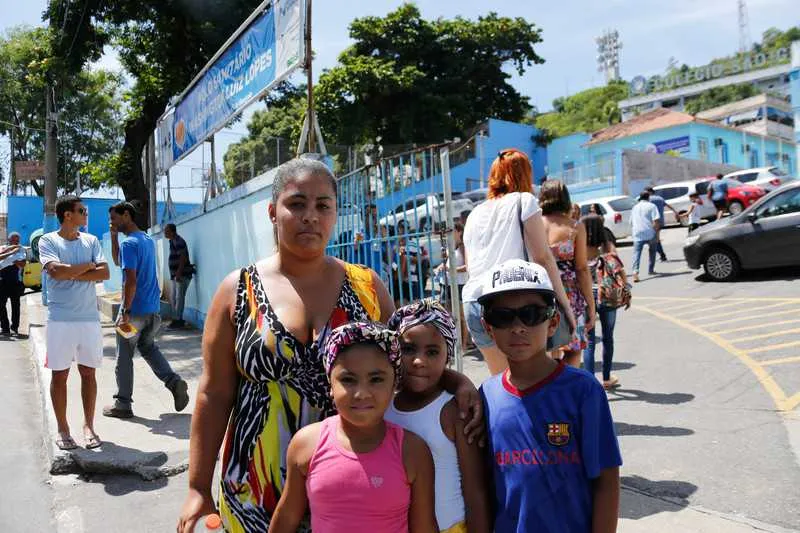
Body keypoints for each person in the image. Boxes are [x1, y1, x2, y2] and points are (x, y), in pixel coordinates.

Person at [177, 159, 482, 533]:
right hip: (255, 489)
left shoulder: (367, 287)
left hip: (356, 490)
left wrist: (456, 382)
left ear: (335, 214)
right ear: (273, 212)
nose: (310, 216)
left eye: (323, 206)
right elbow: (214, 393)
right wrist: (196, 487)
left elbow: (405, 364)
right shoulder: (237, 290)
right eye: (297, 204)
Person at [478, 259, 622, 533]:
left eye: (531, 314)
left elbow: (606, 479)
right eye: (503, 317)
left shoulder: (583, 390)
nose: (517, 327)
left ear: (553, 322)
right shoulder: (485, 396)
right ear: (488, 328)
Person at [269, 321, 438, 533]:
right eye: (348, 379)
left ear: (394, 383)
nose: (362, 393)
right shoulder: (306, 445)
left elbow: (424, 527)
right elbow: (287, 516)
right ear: (330, 385)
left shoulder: (412, 452)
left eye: (376, 379)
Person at [462, 149, 575, 375]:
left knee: (501, 383)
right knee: (529, 382)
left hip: (473, 301)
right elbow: (543, 257)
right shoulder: (524, 201)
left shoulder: (474, 214)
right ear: (525, 175)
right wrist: (565, 306)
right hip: (513, 303)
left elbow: (470, 266)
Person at [385, 300, 491, 533]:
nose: (419, 361)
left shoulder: (456, 410)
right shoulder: (383, 407)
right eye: (408, 349)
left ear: (448, 356)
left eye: (432, 352)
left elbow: (476, 490)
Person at [104, 201, 189, 419]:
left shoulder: (130, 244)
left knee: (124, 355)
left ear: (126, 215)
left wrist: (126, 310)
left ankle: (122, 404)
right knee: (148, 347)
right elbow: (117, 261)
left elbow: (129, 280)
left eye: (114, 218)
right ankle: (174, 382)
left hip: (135, 311)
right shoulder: (145, 240)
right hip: (153, 310)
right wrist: (113, 237)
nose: (111, 223)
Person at [37, 196, 110, 450]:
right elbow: (55, 271)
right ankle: (63, 429)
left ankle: (89, 426)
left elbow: (105, 273)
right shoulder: (48, 241)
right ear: (68, 214)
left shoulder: (90, 241)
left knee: (88, 374)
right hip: (60, 320)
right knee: (60, 376)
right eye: (82, 211)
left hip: (89, 320)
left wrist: (73, 272)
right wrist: (87, 267)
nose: (85, 214)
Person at [539, 180, 595, 368]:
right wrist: (591, 306)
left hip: (541, 292)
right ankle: (566, 390)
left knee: (545, 348)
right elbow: (582, 269)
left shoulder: (534, 225)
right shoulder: (575, 227)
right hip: (570, 294)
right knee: (573, 347)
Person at [581, 214, 629, 390]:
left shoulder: (580, 248)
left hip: (587, 297)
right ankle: (607, 378)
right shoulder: (606, 245)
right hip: (608, 296)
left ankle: (590, 382)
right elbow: (619, 268)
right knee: (608, 337)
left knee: (589, 341)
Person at [435, 222, 469, 351]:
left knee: (460, 316)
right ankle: (453, 342)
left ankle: (464, 344)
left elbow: (466, 267)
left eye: (452, 230)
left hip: (459, 284)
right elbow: (446, 264)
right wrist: (441, 267)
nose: (450, 233)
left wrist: (450, 269)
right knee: (447, 314)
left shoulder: (462, 247)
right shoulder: (450, 246)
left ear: (459, 231)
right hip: (446, 283)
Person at [164, 223, 192, 329]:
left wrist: (179, 273)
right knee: (174, 297)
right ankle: (177, 319)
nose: (165, 233)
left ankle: (178, 321)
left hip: (182, 275)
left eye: (166, 231)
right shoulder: (172, 241)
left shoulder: (179, 241)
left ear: (172, 231)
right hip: (176, 275)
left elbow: (183, 258)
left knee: (179, 298)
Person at [0, 232, 27, 336]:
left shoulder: (21, 250)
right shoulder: (3, 247)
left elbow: (23, 264)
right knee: (1, 305)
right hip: (2, 281)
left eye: (17, 240)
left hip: (15, 282)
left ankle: (14, 327)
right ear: (9, 240)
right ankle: (5, 327)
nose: (16, 242)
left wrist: (14, 261)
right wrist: (12, 254)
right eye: (14, 240)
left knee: (16, 306)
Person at [630, 191, 660, 283]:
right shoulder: (652, 206)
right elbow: (656, 221)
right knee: (652, 251)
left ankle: (635, 272)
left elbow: (631, 222)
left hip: (637, 233)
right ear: (648, 197)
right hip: (649, 232)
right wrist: (656, 233)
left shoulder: (634, 207)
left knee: (636, 254)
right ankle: (651, 270)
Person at [644, 186, 680, 262]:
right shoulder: (660, 198)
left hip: (653, 222)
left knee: (653, 239)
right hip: (660, 222)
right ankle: (661, 255)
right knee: (655, 239)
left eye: (646, 192)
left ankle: (661, 256)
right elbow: (668, 206)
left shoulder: (649, 199)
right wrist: (675, 212)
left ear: (649, 192)